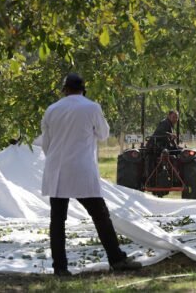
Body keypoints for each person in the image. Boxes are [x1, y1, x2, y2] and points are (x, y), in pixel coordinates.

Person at [40, 73, 141, 277]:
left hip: (57, 170)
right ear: (83, 90)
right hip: (81, 170)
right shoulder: (92, 107)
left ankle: (60, 268)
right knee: (100, 216)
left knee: (57, 221)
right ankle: (117, 259)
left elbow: (46, 144)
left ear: (65, 90)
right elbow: (103, 135)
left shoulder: (52, 110)